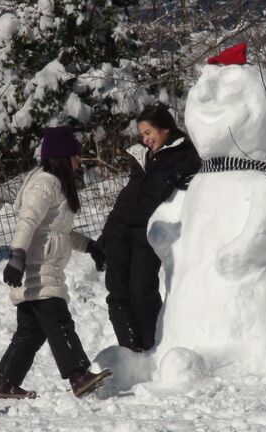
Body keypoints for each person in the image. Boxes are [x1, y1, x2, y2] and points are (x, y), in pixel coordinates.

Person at [0, 125, 110, 399]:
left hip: (44, 266)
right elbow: (28, 220)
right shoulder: (46, 184)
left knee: (30, 333)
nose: (78, 163)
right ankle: (79, 376)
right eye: (74, 157)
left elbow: (59, 232)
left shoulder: (54, 185)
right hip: (39, 267)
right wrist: (17, 256)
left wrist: (90, 246)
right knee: (59, 324)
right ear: (61, 157)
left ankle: (5, 383)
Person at [101, 104, 201, 352]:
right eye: (142, 134)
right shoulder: (143, 155)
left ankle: (149, 347)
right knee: (117, 292)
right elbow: (128, 197)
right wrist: (107, 233)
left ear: (165, 128)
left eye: (148, 132)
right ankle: (129, 349)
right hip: (118, 232)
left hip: (145, 233)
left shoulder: (185, 154)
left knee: (141, 291)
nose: (145, 139)